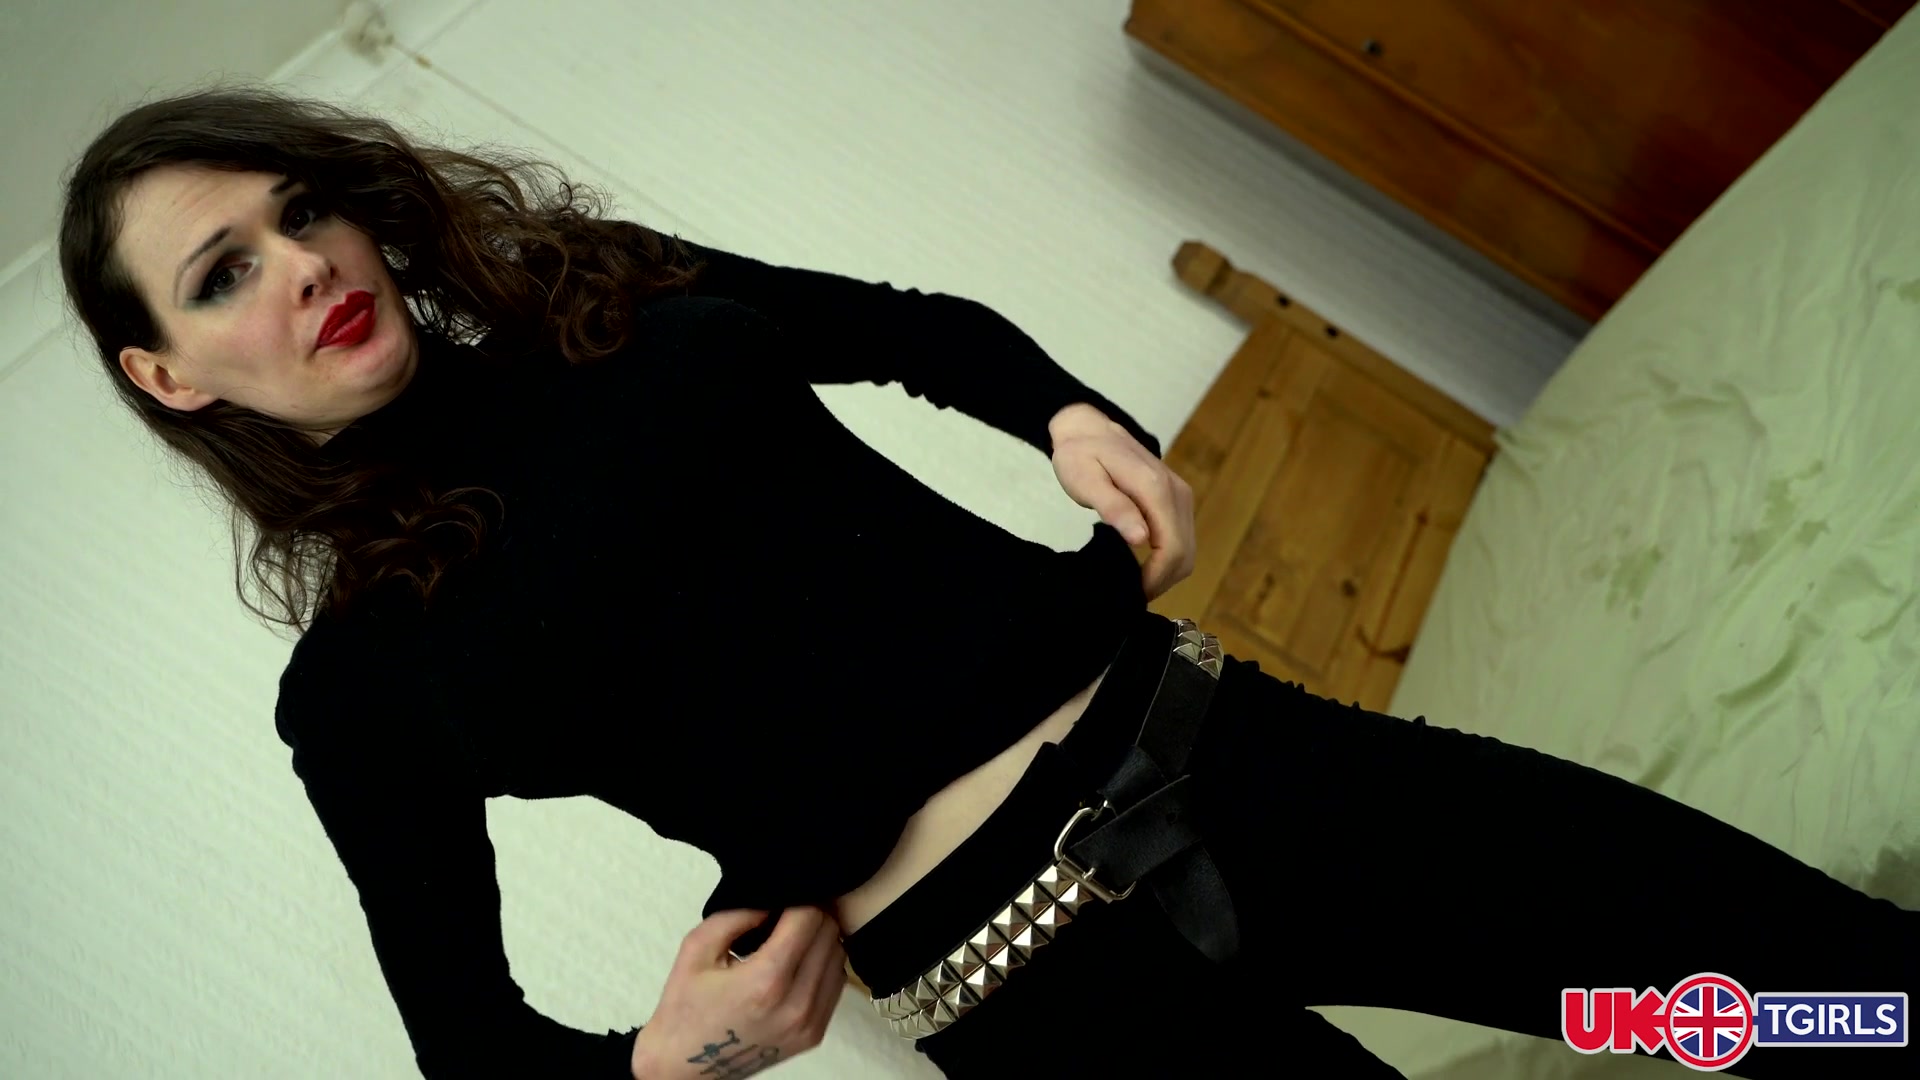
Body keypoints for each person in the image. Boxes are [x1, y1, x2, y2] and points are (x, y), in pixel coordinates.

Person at [59, 85, 1914, 1080]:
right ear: (169, 376)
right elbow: (473, 1055)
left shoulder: (592, 292)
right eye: (221, 275)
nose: (301, 267)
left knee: (1809, 993)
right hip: (1043, 1011)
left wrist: (1070, 415)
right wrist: (667, 1064)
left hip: (1239, 764)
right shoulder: (358, 688)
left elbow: (905, 327)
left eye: (298, 211)